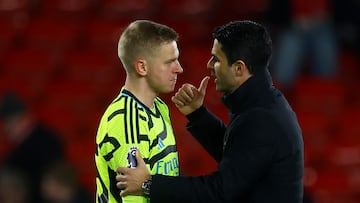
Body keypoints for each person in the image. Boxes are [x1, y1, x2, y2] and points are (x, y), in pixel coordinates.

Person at [116, 20, 304, 203]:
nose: (208, 65)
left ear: (239, 68)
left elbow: (220, 190)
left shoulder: (261, 119)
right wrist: (197, 114)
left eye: (216, 59)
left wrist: (149, 184)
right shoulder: (265, 103)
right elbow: (239, 156)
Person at [95, 20, 183, 203]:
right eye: (169, 62)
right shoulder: (126, 122)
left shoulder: (159, 107)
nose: (179, 69)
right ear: (142, 67)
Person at [0, 92, 64, 203]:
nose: (7, 127)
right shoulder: (18, 147)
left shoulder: (46, 141)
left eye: (10, 122)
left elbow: (54, 176)